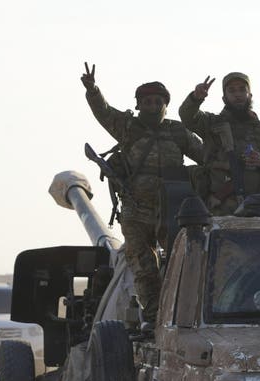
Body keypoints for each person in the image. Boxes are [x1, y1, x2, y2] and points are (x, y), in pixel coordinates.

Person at [81, 63, 204, 325]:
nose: (152, 106)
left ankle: (177, 318)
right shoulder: (127, 127)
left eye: (158, 101)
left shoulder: (177, 132)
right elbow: (103, 112)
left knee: (176, 266)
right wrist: (93, 90)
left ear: (166, 105)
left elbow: (206, 157)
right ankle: (152, 319)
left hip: (171, 211)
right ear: (138, 105)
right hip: (136, 211)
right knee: (144, 268)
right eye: (147, 101)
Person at [178, 72, 260, 214]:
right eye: (232, 90)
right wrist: (195, 98)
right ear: (224, 98)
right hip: (217, 207)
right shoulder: (212, 124)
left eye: (242, 89)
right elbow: (187, 117)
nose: (238, 94)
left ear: (250, 95)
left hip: (255, 210)